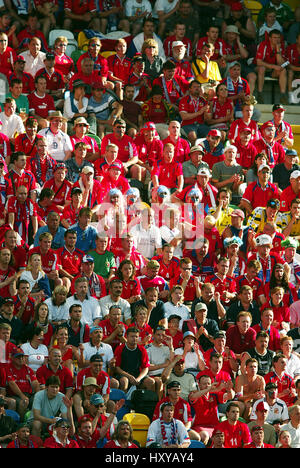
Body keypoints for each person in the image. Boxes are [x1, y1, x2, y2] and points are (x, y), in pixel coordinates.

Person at [189, 374, 235, 444]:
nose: (207, 386)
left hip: (215, 427)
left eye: (209, 384)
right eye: (204, 384)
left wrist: (229, 389)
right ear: (199, 385)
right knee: (204, 435)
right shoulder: (195, 393)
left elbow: (229, 396)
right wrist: (209, 389)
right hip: (199, 427)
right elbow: (192, 397)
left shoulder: (215, 394)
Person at [114, 327, 156, 393]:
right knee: (124, 381)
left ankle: (148, 402)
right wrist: (129, 377)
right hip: (124, 375)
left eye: (136, 336)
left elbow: (145, 368)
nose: (134, 338)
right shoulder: (120, 349)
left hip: (137, 375)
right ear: (127, 337)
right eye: (132, 336)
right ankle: (124, 402)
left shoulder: (142, 349)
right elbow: (117, 368)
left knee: (150, 382)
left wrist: (139, 378)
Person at [255, 29, 288, 104]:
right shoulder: (263, 44)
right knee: (262, 69)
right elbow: (258, 62)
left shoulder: (281, 46)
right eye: (275, 37)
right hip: (259, 67)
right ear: (270, 38)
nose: (277, 40)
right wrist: (273, 66)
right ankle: (260, 94)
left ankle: (283, 96)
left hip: (273, 71)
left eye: (278, 37)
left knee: (283, 70)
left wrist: (277, 50)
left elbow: (281, 63)